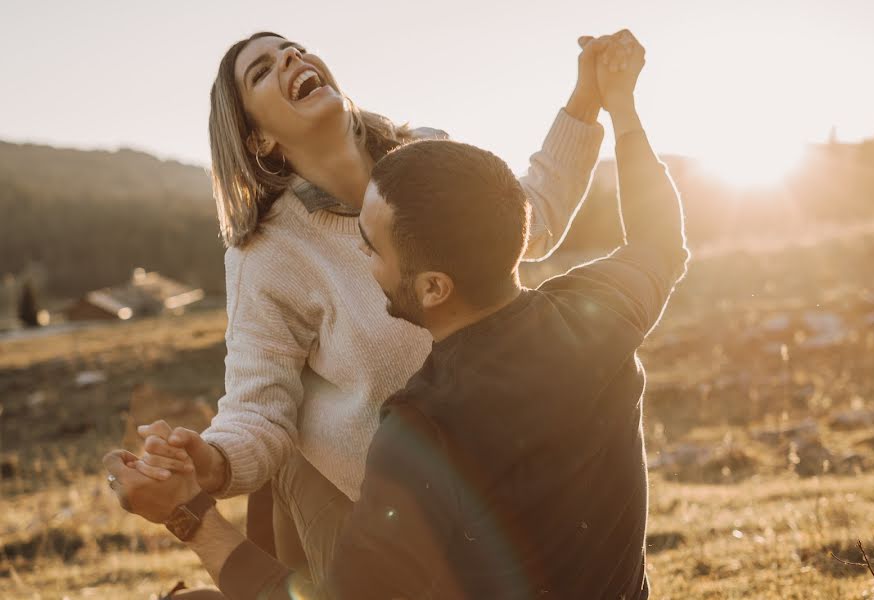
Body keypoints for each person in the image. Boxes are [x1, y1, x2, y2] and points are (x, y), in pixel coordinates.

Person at [106, 29, 690, 599]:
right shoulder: (585, 321)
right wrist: (211, 462)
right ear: (256, 140)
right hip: (380, 490)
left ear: (431, 286)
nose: (292, 57)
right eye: (263, 70)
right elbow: (259, 406)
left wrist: (190, 517)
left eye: (291, 48)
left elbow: (523, 213)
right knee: (294, 475)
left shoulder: (424, 155)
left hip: (437, 474)